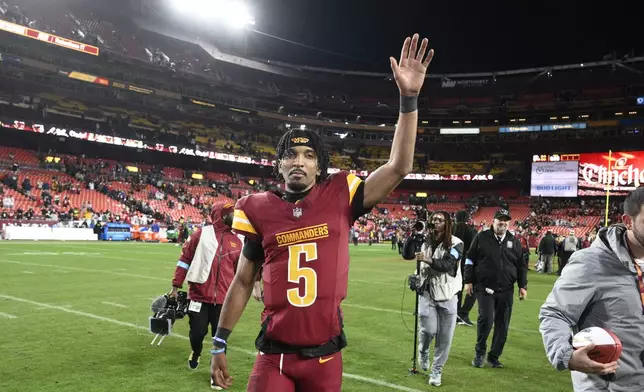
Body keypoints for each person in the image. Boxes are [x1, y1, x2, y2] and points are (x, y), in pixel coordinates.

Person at [210, 33, 435, 391]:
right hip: (274, 356)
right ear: (279, 165)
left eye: (309, 156)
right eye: (291, 155)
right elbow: (241, 280)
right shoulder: (257, 208)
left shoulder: (340, 193)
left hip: (326, 356)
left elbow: (398, 167)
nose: (299, 161)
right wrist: (219, 342)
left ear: (320, 167)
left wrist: (409, 99)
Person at [539, 188, 644, 392]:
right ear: (628, 221)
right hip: (610, 386)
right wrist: (566, 354)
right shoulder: (591, 263)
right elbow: (554, 313)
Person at [169, 202, 242, 390]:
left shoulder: (237, 241)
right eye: (229, 213)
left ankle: (215, 374)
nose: (233, 216)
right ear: (220, 215)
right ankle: (196, 351)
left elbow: (239, 272)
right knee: (197, 333)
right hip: (199, 296)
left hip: (224, 300)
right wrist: (176, 286)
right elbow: (185, 260)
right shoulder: (201, 234)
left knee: (220, 339)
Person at [463, 208, 528, 368]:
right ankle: (480, 353)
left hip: (506, 289)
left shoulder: (514, 241)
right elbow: (470, 259)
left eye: (506, 220)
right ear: (493, 221)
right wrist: (468, 280)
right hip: (484, 287)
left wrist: (522, 285)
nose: (503, 223)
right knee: (486, 320)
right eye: (500, 220)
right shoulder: (481, 238)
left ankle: (494, 356)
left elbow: (521, 265)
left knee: (503, 325)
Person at [415, 211, 464, 386]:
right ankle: (423, 350)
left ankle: (437, 370)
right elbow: (407, 254)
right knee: (428, 330)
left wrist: (428, 260)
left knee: (445, 337)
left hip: (448, 295)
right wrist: (414, 235)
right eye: (433, 219)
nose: (435, 222)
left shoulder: (457, 243)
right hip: (427, 292)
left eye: (440, 220)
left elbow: (448, 264)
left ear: (447, 223)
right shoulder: (424, 241)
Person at [453, 210, 478, 327]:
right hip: (468, 263)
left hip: (453, 262)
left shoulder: (451, 229)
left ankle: (455, 313)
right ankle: (463, 313)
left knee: (456, 289)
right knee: (473, 288)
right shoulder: (472, 230)